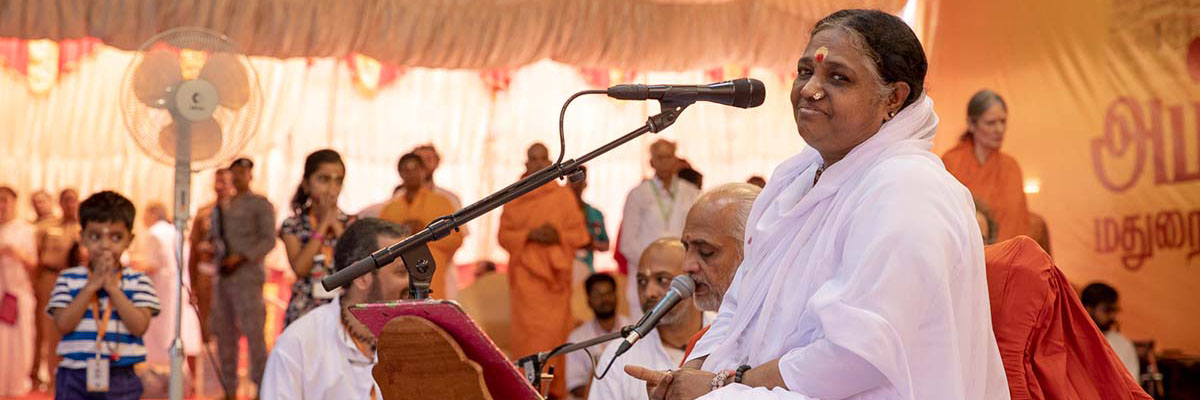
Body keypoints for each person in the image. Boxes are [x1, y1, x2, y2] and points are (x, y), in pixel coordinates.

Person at [628, 10, 1009, 399]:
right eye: (805, 71)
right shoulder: (794, 178)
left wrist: (723, 385)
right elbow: (740, 306)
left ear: (893, 98)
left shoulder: (907, 188)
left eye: (838, 78)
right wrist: (691, 373)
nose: (810, 89)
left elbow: (857, 355)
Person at [261, 218, 412, 400]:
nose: (414, 281)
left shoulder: (421, 340)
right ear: (362, 277)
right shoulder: (299, 344)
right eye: (402, 272)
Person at [47, 191, 160, 400]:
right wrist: (91, 287)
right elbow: (63, 324)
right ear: (82, 238)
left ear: (129, 240)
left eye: (116, 237)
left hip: (121, 374)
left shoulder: (138, 281)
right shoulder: (68, 279)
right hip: (75, 374)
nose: (105, 245)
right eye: (95, 236)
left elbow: (139, 326)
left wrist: (113, 289)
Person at [499, 142, 590, 399]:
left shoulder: (562, 196)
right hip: (526, 283)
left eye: (542, 159)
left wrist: (556, 235)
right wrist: (530, 234)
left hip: (554, 283)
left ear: (550, 162)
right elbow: (503, 236)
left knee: (553, 339)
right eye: (533, 159)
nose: (538, 163)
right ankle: (526, 389)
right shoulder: (513, 196)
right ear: (526, 164)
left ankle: (553, 392)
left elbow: (580, 234)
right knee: (527, 340)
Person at [588, 238, 707, 400]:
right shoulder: (619, 356)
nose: (649, 292)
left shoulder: (726, 334)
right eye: (642, 281)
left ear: (692, 281)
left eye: (662, 280)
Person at [213, 157, 276, 398]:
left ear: (251, 174)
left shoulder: (259, 204)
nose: (238, 177)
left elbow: (268, 240)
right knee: (224, 334)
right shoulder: (222, 206)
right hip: (224, 279)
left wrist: (241, 257)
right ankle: (229, 389)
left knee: (255, 336)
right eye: (234, 172)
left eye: (242, 172)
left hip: (248, 277)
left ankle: (262, 389)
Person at [618, 140, 700, 316]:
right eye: (660, 157)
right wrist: (657, 264)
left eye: (669, 157)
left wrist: (679, 262)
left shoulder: (691, 192)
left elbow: (698, 233)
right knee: (645, 333)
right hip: (647, 279)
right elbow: (627, 244)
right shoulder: (638, 194)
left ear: (676, 160)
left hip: (681, 275)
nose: (664, 162)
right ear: (651, 162)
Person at [942, 89, 1031, 243]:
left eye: (1003, 121)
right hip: (965, 254)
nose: (999, 129)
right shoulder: (951, 162)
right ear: (971, 124)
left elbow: (1017, 224)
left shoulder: (1011, 166)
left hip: (1005, 257)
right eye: (991, 123)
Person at [280, 149, 352, 325]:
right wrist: (323, 224)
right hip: (305, 309)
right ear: (306, 184)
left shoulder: (351, 223)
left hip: (341, 310)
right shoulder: (293, 225)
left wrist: (335, 225)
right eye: (324, 179)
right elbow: (300, 268)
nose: (332, 188)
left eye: (338, 181)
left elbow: (355, 265)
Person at [380, 152, 464, 298]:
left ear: (423, 171)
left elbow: (456, 238)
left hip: (432, 269)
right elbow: (380, 244)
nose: (411, 173)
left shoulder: (442, 202)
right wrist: (402, 234)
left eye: (415, 168)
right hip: (399, 274)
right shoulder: (389, 209)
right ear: (399, 172)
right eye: (406, 169)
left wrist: (426, 233)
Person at [133, 203, 202, 373]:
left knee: (163, 329)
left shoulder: (155, 233)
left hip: (161, 288)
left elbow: (152, 264)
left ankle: (162, 371)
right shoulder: (175, 231)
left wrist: (130, 264)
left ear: (153, 214)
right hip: (179, 284)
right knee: (178, 326)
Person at [31, 188, 81, 389]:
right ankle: (51, 380)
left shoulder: (85, 227)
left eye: (73, 200)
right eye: (66, 200)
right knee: (50, 332)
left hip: (78, 283)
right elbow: (36, 256)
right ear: (60, 203)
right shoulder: (47, 227)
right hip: (51, 280)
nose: (70, 204)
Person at [188, 169, 235, 341]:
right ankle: (208, 366)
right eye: (218, 182)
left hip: (232, 277)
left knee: (231, 327)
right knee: (206, 327)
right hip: (206, 277)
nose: (220, 186)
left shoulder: (241, 213)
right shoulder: (204, 212)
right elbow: (193, 252)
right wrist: (193, 284)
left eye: (225, 182)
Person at [567, 273, 630, 400]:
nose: (604, 299)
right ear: (589, 300)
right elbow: (575, 385)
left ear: (616, 296)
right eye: (598, 295)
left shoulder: (633, 329)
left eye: (608, 293)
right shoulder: (577, 337)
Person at [0, 186, 38, 396]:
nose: (2, 205)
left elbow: (34, 263)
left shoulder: (24, 230)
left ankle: (15, 386)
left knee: (19, 342)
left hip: (17, 293)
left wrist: (16, 254)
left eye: (5, 200)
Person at [1081, 282, 1139, 380]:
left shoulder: (1122, 344)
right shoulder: (1071, 340)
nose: (1112, 316)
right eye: (1107, 310)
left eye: (1114, 310)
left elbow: (1131, 385)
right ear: (1088, 309)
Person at [570, 166, 610, 274]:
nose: (576, 188)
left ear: (585, 185)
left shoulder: (595, 214)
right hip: (564, 270)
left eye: (579, 184)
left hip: (587, 271)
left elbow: (606, 245)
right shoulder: (558, 212)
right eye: (573, 185)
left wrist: (593, 244)